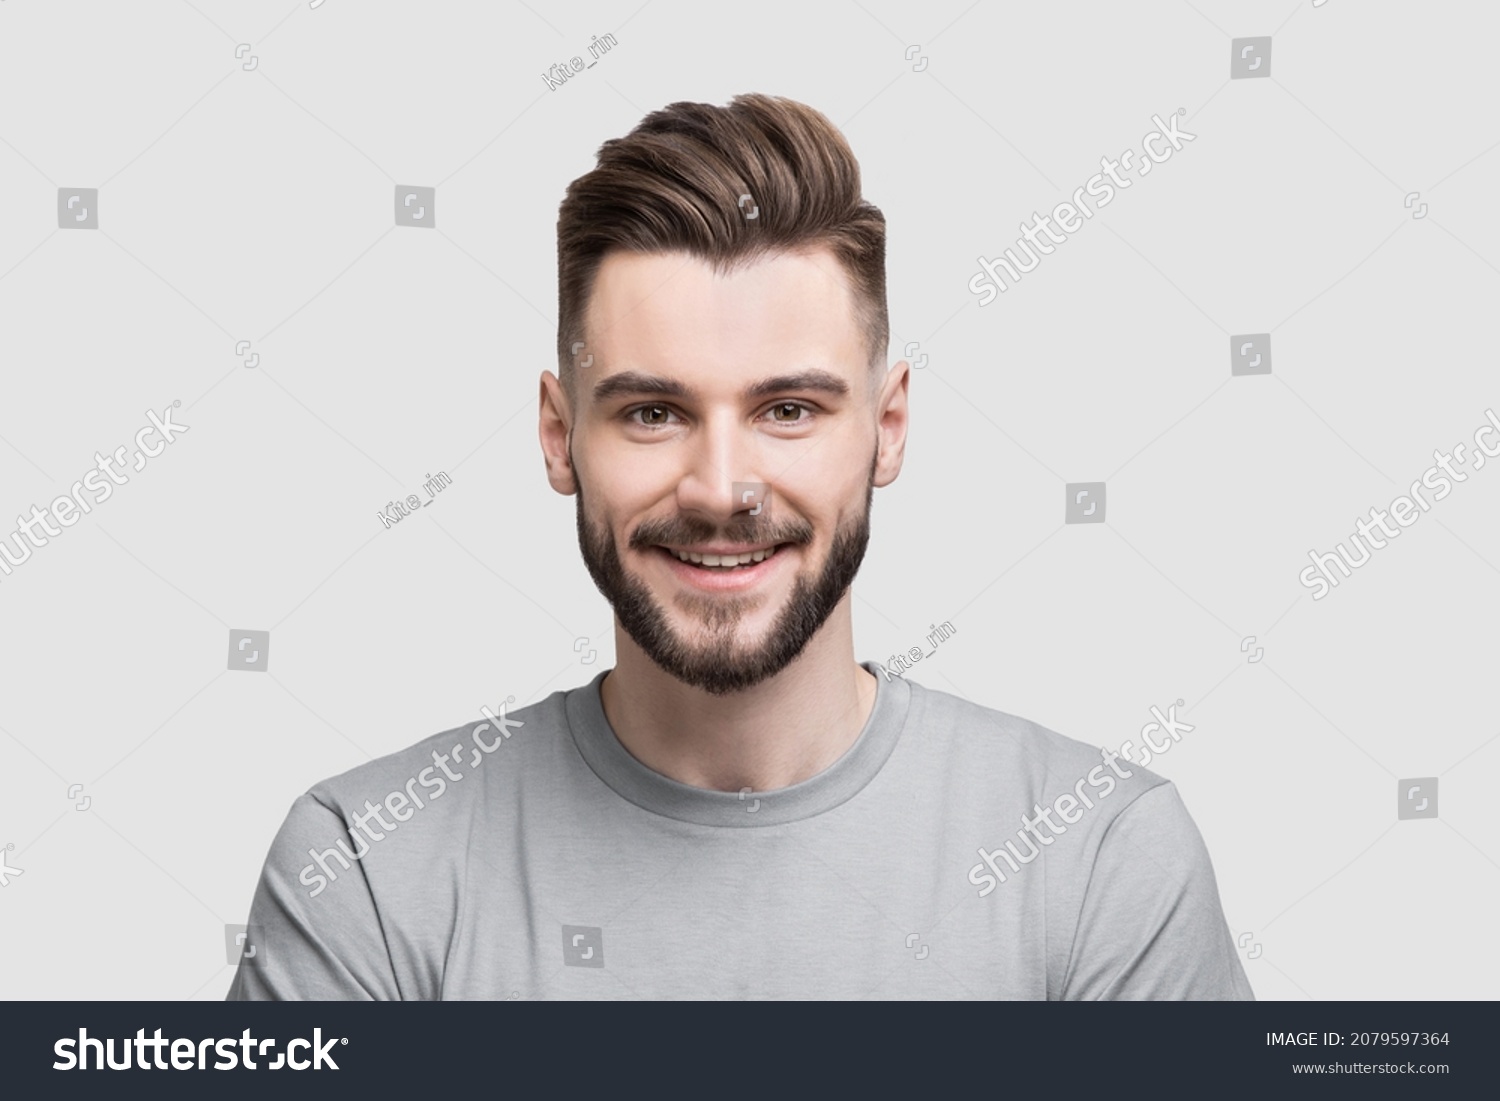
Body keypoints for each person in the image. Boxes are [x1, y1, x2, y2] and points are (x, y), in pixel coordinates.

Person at [228, 93, 1251, 1000]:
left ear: (889, 428)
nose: (723, 490)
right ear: (558, 436)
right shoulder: (367, 871)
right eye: (653, 412)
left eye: (789, 410)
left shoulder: (1099, 860)